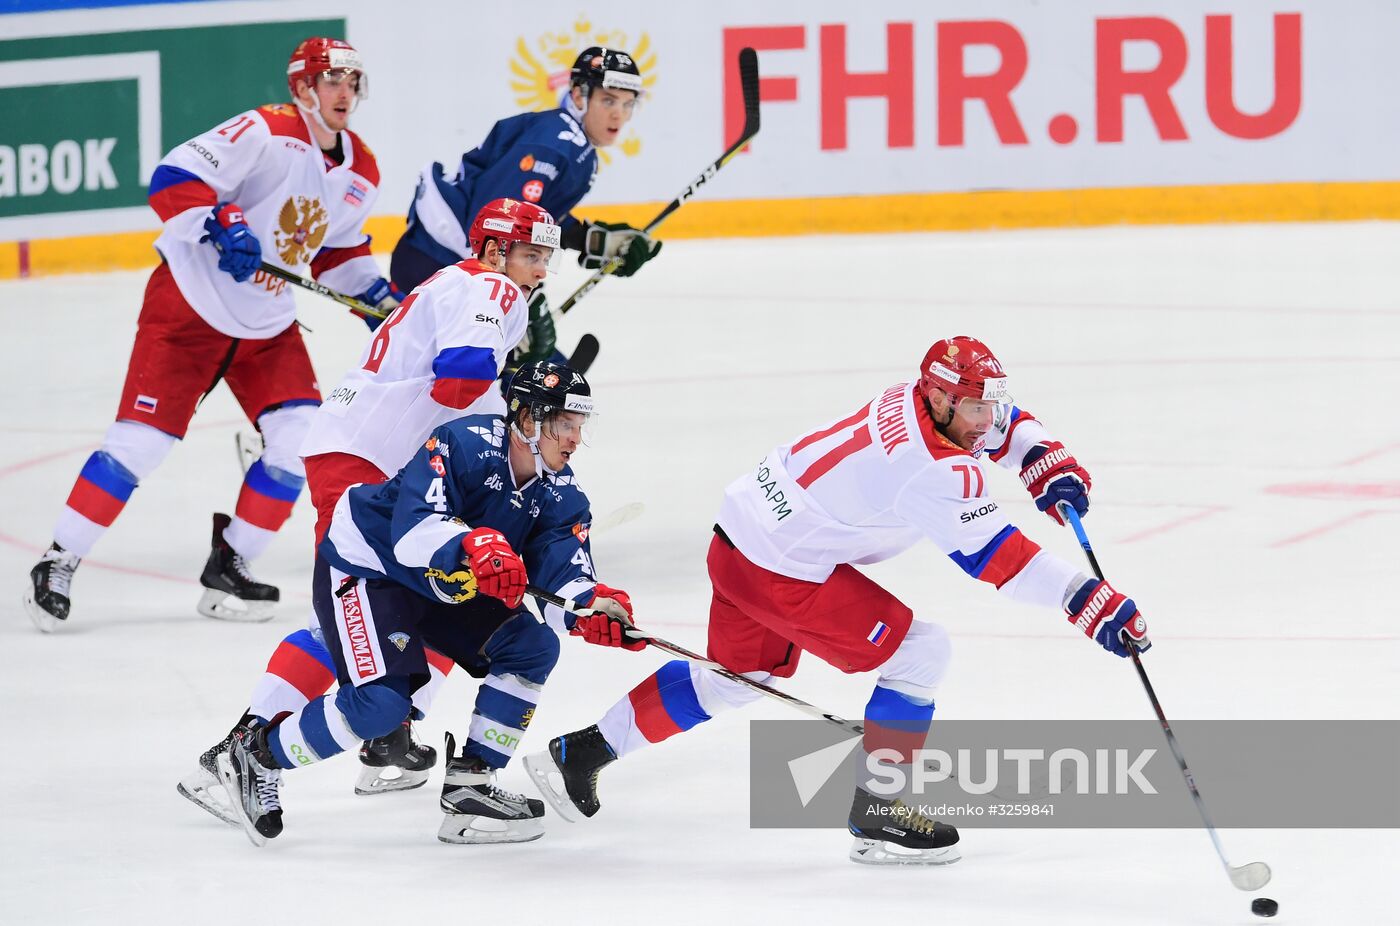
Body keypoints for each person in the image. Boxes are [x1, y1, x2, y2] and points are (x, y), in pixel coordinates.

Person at [524, 336, 1150, 866]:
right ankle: (879, 807)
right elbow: (996, 560)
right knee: (922, 654)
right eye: (975, 408)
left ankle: (577, 754)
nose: (988, 420)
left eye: (992, 406)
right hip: (783, 571)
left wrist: (1041, 455)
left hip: (739, 533)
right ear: (939, 398)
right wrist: (1084, 597)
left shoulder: (916, 400)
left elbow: (1003, 422)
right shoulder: (931, 467)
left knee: (740, 679)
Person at [176, 197, 562, 824]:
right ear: (493, 249)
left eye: (546, 256)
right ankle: (241, 750)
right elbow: (460, 380)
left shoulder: (460, 284)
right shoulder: (494, 289)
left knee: (438, 589)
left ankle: (387, 732)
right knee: (354, 602)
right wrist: (514, 397)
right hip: (371, 463)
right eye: (529, 253)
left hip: (366, 451)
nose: (539, 270)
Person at [23, 37, 402, 631]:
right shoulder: (265, 130)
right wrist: (219, 222)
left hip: (267, 327)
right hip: (189, 309)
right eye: (333, 81)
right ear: (303, 87)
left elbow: (339, 249)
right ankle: (57, 559)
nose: (345, 93)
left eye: (353, 83)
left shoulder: (363, 169)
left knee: (299, 444)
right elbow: (174, 176)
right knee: (140, 445)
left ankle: (232, 561)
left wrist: (376, 299)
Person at [215, 361, 641, 847]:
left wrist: (590, 609)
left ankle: (472, 783)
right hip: (369, 566)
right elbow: (412, 530)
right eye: (565, 424)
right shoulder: (463, 443)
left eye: (579, 427)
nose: (574, 438)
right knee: (379, 707)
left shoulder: (561, 494)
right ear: (529, 420)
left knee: (532, 645)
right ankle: (257, 754)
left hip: (439, 587)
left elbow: (561, 575)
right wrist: (472, 544)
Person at [393, 46, 662, 367]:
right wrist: (525, 303)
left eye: (627, 103)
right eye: (608, 100)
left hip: (445, 263)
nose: (618, 114)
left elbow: (528, 215)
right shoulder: (555, 143)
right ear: (579, 96)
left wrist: (589, 240)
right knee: (531, 385)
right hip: (436, 266)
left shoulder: (573, 144)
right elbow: (492, 222)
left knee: (535, 381)